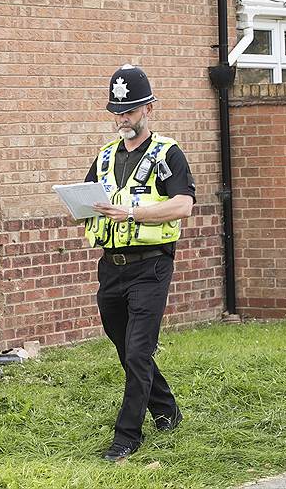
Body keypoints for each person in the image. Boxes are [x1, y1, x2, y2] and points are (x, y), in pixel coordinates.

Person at [84, 64, 196, 461]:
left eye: (130, 110)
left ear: (149, 108)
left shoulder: (168, 153)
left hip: (151, 266)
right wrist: (78, 207)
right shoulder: (103, 156)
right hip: (110, 266)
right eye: (117, 110)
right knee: (127, 348)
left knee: (137, 351)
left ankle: (126, 437)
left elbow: (183, 204)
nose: (123, 118)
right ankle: (167, 410)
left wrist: (130, 214)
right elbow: (88, 198)